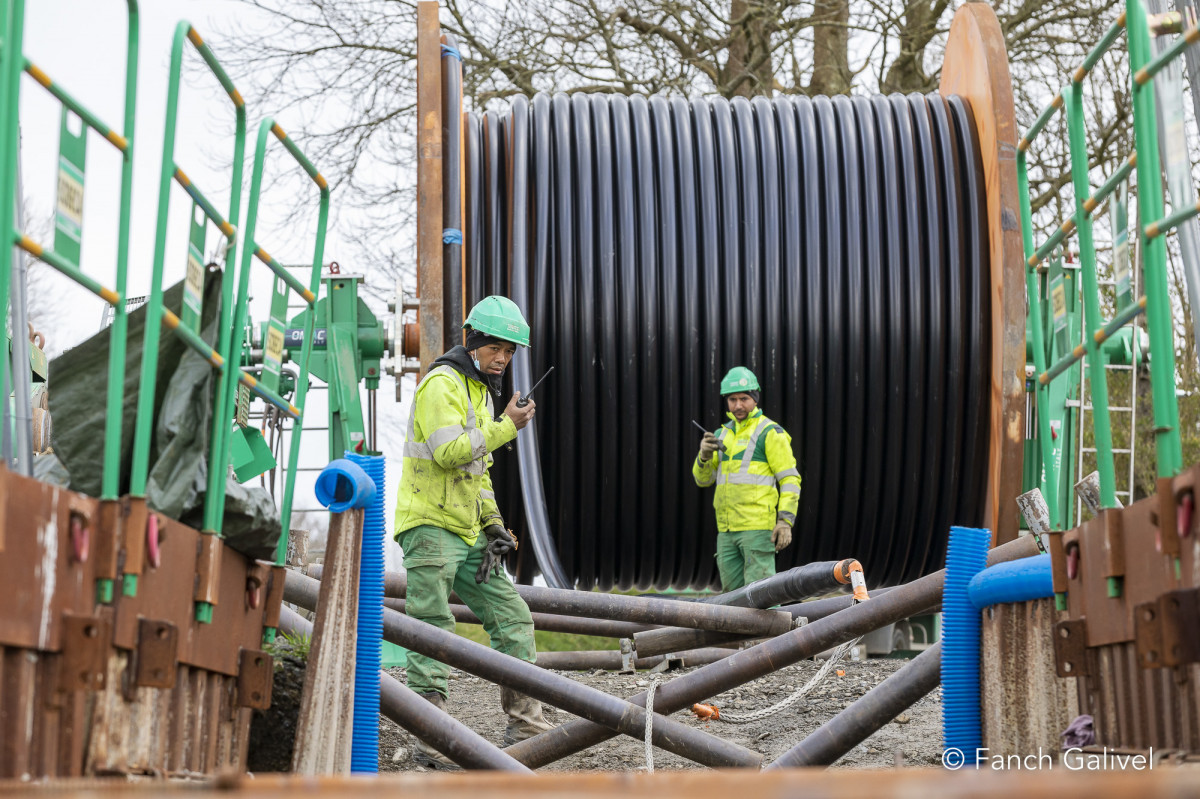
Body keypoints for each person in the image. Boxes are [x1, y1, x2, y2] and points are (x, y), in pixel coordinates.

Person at [394, 295, 554, 768]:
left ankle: (526, 728)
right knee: (431, 624)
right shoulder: (441, 384)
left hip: (466, 532)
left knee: (513, 618)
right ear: (474, 341)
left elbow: (477, 471)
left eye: (510, 351)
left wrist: (494, 525)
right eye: (496, 349)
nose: (503, 358)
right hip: (429, 527)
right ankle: (429, 735)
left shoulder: (480, 392)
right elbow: (449, 454)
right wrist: (508, 425)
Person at [692, 366, 801, 591]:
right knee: (733, 600)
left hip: (757, 530)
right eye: (732, 399)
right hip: (727, 530)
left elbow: (790, 479)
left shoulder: (769, 432)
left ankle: (777, 628)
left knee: (761, 597)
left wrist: (785, 521)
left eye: (744, 398)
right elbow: (703, 480)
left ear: (755, 399)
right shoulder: (722, 434)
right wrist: (703, 456)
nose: (738, 405)